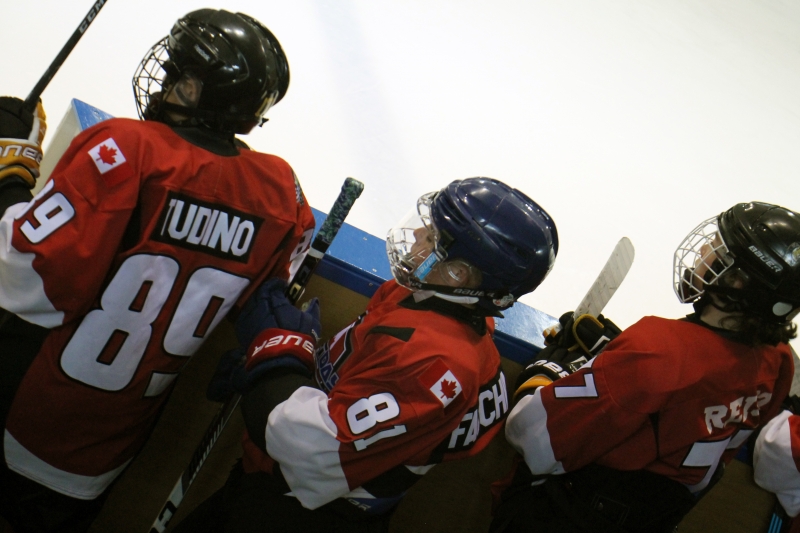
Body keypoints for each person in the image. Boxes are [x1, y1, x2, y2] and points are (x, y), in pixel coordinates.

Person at [0, 9, 315, 533]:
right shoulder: (281, 191)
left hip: (28, 416)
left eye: (176, 72)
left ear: (192, 90)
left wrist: (13, 170)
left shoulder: (127, 149)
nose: (164, 79)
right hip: (112, 447)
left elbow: (21, 276)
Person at [171, 177, 560, 532]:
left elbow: (308, 449)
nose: (419, 234)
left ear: (459, 274)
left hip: (307, 514)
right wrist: (274, 370)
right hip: (273, 489)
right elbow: (359, 383)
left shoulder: (438, 364)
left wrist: (274, 360)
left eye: (434, 238)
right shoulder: (424, 298)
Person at [490, 201, 800, 533]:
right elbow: (686, 401)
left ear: (738, 283)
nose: (707, 249)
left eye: (720, 248)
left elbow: (532, 437)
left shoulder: (658, 350)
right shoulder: (778, 361)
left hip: (563, 515)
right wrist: (616, 359)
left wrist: (552, 367)